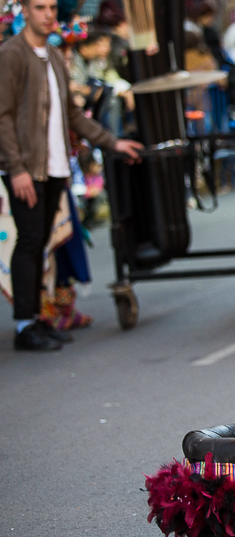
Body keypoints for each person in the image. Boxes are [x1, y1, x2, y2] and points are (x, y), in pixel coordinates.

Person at [0, 0, 141, 351]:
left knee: (40, 243)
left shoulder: (52, 56)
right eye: (40, 8)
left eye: (51, 8)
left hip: (55, 166)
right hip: (26, 168)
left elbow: (73, 115)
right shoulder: (12, 54)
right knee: (30, 242)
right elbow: (1, 116)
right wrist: (15, 169)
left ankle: (36, 319)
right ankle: (24, 326)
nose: (48, 14)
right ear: (26, 13)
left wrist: (113, 143)